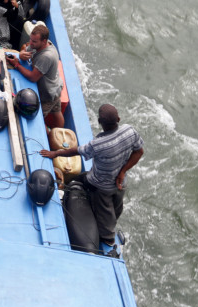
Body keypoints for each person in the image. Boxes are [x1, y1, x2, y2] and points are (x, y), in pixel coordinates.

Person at [39, 104, 144, 248]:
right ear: (118, 118)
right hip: (121, 182)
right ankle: (111, 222)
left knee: (79, 184)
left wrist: (55, 153)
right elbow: (139, 152)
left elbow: (76, 151)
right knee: (116, 206)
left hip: (100, 186)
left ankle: (107, 239)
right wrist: (123, 171)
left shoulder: (98, 144)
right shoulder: (130, 131)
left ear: (100, 122)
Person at [5, 23, 64, 128]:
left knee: (38, 119)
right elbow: (26, 51)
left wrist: (17, 64)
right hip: (55, 87)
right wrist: (22, 54)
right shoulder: (38, 45)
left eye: (34, 41)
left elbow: (33, 77)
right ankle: (59, 132)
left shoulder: (46, 56)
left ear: (44, 41)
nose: (30, 43)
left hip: (48, 94)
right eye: (30, 39)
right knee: (56, 111)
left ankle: (50, 137)